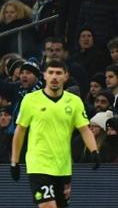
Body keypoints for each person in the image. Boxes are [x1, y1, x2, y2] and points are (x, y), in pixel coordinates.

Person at [11, 60, 100, 208]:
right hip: (38, 164)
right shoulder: (30, 100)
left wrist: (94, 150)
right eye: (50, 72)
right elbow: (20, 131)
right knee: (48, 206)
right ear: (44, 76)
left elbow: (84, 129)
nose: (54, 77)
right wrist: (14, 161)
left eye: (58, 73)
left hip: (63, 166)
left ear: (66, 76)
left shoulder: (74, 102)